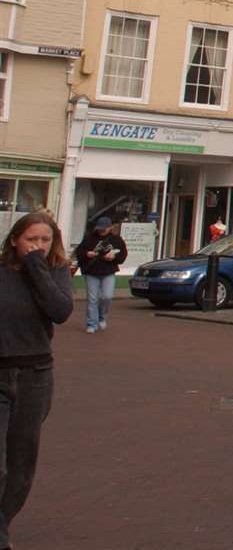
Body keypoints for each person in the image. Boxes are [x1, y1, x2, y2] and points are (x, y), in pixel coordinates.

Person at [1, 211, 73, 548]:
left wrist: (36, 267)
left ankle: (2, 525)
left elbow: (59, 312)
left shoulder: (55, 272)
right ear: (14, 239)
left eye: (45, 240)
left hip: (36, 378)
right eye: (32, 239)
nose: (38, 246)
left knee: (20, 466)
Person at [73, 217, 126, 335]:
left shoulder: (116, 240)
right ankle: (91, 323)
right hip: (91, 271)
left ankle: (101, 316)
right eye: (99, 229)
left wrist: (114, 257)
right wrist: (87, 254)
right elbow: (79, 252)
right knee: (92, 299)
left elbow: (123, 254)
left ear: (110, 228)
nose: (101, 231)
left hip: (108, 271)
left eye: (104, 229)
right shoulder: (89, 238)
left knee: (106, 297)